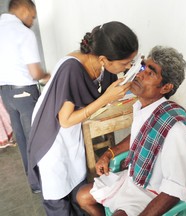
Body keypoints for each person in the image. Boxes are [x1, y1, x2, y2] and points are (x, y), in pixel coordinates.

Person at [27, 21, 138, 215]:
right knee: (59, 198)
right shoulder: (72, 69)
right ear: (104, 58)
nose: (128, 66)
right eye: (125, 63)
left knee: (76, 190)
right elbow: (65, 120)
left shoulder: (100, 64)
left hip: (72, 134)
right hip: (52, 137)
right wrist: (106, 98)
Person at [76, 46, 186, 216]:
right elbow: (137, 136)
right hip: (134, 178)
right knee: (83, 196)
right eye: (143, 67)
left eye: (151, 73)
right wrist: (108, 154)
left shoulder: (176, 129)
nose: (140, 74)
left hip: (151, 192)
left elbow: (175, 189)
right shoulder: (142, 106)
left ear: (165, 87)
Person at [0, 0, 50, 184]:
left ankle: (34, 183)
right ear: (23, 9)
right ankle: (45, 183)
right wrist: (47, 75)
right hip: (25, 93)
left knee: (22, 140)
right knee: (35, 138)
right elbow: (35, 73)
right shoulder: (23, 33)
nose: (33, 21)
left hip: (6, 94)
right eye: (32, 16)